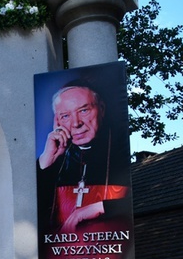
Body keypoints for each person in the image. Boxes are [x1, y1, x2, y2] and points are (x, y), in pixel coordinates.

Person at [37, 82, 130, 233]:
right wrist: (46, 162)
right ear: (58, 122)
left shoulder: (122, 151)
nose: (76, 123)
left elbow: (140, 201)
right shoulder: (56, 160)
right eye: (65, 116)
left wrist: (100, 207)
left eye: (84, 110)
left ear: (101, 109)